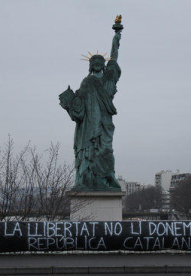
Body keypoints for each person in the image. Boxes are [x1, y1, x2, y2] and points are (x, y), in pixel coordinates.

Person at [59, 30, 123, 191]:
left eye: (100, 61)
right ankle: (87, 180)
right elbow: (78, 109)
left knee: (106, 150)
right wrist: (70, 102)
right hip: (88, 126)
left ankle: (107, 178)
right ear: (90, 65)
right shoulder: (86, 82)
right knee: (89, 151)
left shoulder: (110, 78)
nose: (97, 63)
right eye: (94, 61)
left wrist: (116, 37)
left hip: (105, 123)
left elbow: (114, 58)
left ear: (103, 64)